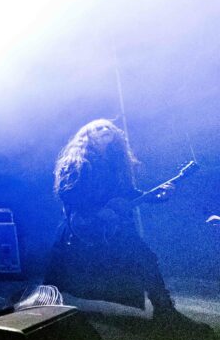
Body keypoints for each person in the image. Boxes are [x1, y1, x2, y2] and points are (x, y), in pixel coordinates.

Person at [44, 118, 186, 321]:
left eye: (108, 127)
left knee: (145, 258)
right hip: (81, 225)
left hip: (112, 227)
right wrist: (97, 211)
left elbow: (128, 193)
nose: (104, 129)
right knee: (60, 268)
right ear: (87, 136)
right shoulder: (77, 162)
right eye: (98, 127)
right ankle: (43, 310)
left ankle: (165, 311)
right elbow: (67, 194)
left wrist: (157, 197)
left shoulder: (117, 164)